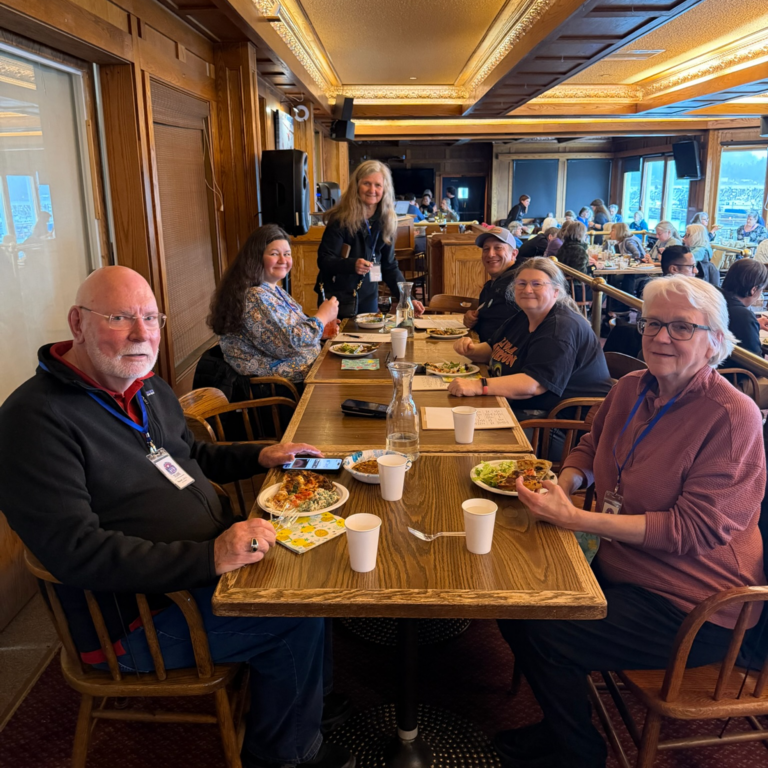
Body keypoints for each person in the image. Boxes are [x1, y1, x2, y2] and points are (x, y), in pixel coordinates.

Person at [0, 266, 355, 768]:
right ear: (77, 324)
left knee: (307, 579)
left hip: (196, 577)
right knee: (294, 613)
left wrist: (263, 454)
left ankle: (307, 699)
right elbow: (76, 552)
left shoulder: (144, 387)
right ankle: (284, 754)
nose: (142, 334)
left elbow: (192, 456)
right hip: (134, 621)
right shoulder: (33, 422)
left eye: (150, 317)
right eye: (120, 318)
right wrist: (210, 555)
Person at [494, 275, 765, 768]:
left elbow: (693, 531)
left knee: (545, 633)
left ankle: (576, 752)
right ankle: (561, 724)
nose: (661, 337)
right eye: (653, 323)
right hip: (622, 565)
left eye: (682, 327)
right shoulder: (632, 388)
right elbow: (591, 447)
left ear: (716, 343)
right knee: (512, 593)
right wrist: (570, 483)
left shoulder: (731, 416)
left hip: (695, 602)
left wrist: (579, 519)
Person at [447, 257, 612, 417]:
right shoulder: (523, 316)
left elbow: (533, 384)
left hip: (559, 425)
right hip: (523, 409)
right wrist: (470, 349)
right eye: (521, 283)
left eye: (537, 284)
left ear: (556, 291)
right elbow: (493, 349)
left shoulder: (560, 327)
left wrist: (478, 386)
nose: (527, 290)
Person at [212, 225, 339, 383]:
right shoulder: (254, 296)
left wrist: (318, 331)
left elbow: (290, 330)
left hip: (308, 376)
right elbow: (288, 345)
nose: (283, 260)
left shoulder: (273, 289)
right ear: (256, 258)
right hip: (278, 390)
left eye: (287, 254)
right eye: (274, 254)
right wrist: (321, 317)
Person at [316, 160, 425, 318]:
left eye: (378, 185)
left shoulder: (386, 220)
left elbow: (389, 267)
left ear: (385, 189)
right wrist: (352, 264)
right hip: (338, 297)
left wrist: (407, 298)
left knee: (369, 340)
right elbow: (324, 260)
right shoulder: (340, 219)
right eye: (367, 183)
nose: (372, 190)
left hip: (368, 294)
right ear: (357, 186)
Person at [463, 227, 519, 343]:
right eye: (486, 249)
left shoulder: (516, 285)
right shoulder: (492, 285)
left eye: (498, 248)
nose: (490, 254)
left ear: (514, 254)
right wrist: (473, 319)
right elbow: (489, 322)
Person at [720, 258, 768, 364]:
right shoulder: (742, 316)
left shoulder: (715, 297)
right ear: (754, 290)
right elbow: (756, 364)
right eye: (761, 290)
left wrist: (754, 325)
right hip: (734, 376)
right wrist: (750, 323)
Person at [555, 221, 593, 303]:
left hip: (564, 287)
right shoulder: (579, 250)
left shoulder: (563, 247)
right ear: (580, 235)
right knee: (606, 288)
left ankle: (586, 311)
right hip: (576, 290)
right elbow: (581, 275)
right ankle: (591, 313)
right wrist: (594, 267)